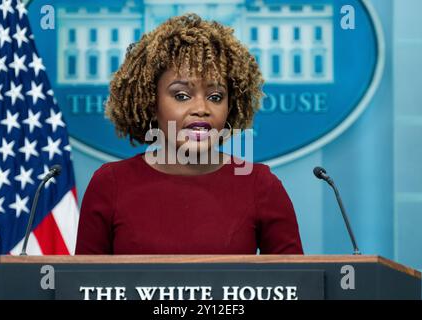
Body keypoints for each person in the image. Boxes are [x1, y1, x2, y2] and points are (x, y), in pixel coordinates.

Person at [75, 13, 303, 255]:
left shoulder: (260, 185)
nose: (201, 109)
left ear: (231, 106)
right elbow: (82, 288)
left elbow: (295, 286)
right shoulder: (110, 185)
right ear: (151, 102)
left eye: (215, 97)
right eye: (181, 96)